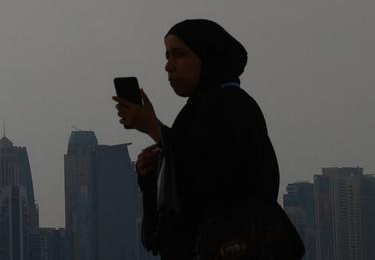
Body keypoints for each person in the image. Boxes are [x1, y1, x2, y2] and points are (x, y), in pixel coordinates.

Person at [114, 19, 287, 260]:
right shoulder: (196, 110)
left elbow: (215, 177)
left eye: (179, 55)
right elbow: (183, 194)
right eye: (167, 56)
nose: (168, 66)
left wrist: (155, 129)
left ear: (208, 57)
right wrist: (151, 174)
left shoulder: (233, 105)